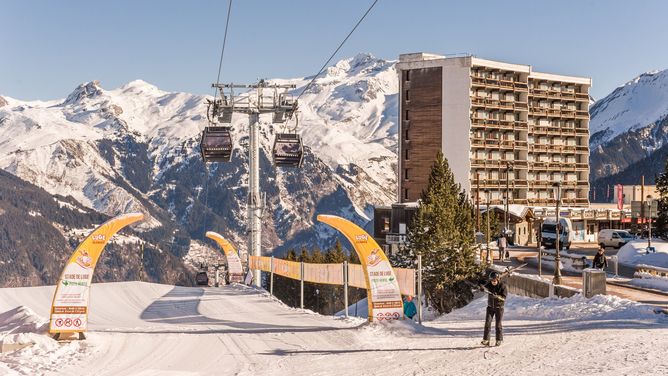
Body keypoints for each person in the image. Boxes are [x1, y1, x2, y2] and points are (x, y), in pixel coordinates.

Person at [480, 271, 507, 347]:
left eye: (494, 281)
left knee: (498, 324)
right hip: (490, 307)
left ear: (498, 279)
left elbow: (504, 298)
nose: (493, 282)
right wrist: (482, 287)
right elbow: (483, 285)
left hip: (499, 308)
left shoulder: (502, 286)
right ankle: (486, 340)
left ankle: (498, 340)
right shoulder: (490, 284)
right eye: (492, 281)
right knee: (487, 323)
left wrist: (498, 296)